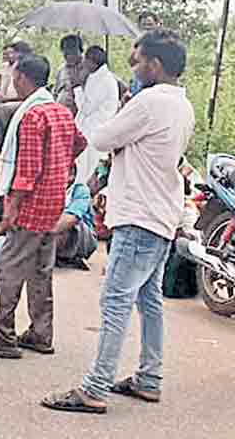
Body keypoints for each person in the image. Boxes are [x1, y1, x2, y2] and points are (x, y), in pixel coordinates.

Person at [42, 29, 193, 414]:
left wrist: (126, 108)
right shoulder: (181, 103)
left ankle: (95, 387)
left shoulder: (149, 103)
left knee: (116, 300)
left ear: (154, 65)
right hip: (161, 213)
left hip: (138, 214)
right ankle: (149, 377)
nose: (134, 65)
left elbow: (102, 137)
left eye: (138, 59)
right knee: (149, 299)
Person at [0, 53, 86, 361]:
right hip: (53, 202)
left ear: (22, 78)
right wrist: (61, 166)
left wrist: (12, 207)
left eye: (14, 75)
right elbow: (80, 143)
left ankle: (3, 335)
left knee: (10, 268)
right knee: (40, 269)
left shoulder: (32, 115)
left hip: (31, 205)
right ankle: (41, 333)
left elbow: (27, 170)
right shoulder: (60, 111)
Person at [75, 45, 120, 183]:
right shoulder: (95, 77)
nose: (83, 63)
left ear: (92, 61)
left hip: (96, 128)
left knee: (88, 169)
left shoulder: (105, 80)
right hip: (90, 127)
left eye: (85, 60)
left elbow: (87, 108)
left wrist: (78, 88)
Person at [0, 41, 33, 152]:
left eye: (14, 53)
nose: (11, 56)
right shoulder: (10, 66)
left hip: (22, 101)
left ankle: (0, 145)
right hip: (9, 98)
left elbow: (24, 94)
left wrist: (5, 99)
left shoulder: (25, 66)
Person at [55, 168, 98, 270]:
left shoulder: (80, 190)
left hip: (83, 240)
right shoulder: (49, 189)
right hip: (55, 236)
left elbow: (71, 218)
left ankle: (64, 256)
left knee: (68, 221)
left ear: (71, 175)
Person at [125, 12, 162, 100]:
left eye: (150, 24)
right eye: (144, 25)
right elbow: (131, 62)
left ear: (157, 25)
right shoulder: (138, 42)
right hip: (138, 82)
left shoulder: (161, 42)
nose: (147, 27)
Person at [55, 35, 87, 116]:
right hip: (62, 114)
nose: (69, 56)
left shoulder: (89, 67)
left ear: (80, 51)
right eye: (66, 54)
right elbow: (56, 92)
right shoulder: (61, 70)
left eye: (72, 53)